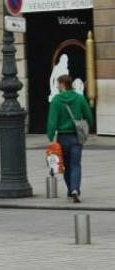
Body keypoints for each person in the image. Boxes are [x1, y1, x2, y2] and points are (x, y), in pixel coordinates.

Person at [46, 74, 94, 203]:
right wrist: (88, 125)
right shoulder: (79, 98)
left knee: (66, 165)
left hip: (62, 137)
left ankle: (70, 190)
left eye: (58, 83)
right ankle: (75, 189)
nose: (56, 86)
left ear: (62, 84)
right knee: (76, 164)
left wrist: (50, 136)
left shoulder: (56, 100)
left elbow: (52, 121)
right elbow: (89, 115)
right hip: (76, 137)